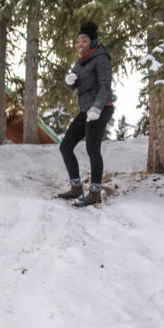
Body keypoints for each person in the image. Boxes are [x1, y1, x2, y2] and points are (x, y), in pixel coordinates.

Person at [57, 21, 115, 207]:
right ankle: (76, 188)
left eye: (83, 40)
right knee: (65, 147)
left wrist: (97, 108)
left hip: (101, 107)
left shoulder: (101, 58)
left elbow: (105, 87)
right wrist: (69, 81)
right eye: (77, 41)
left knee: (92, 149)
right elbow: (73, 83)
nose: (79, 44)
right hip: (86, 109)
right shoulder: (80, 61)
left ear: (92, 41)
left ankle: (95, 193)